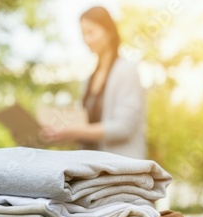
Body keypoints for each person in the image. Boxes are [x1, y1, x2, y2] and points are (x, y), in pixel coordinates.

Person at [43, 6, 146, 159]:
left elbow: (123, 128)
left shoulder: (126, 70)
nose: (86, 40)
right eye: (84, 34)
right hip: (92, 170)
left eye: (91, 32)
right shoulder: (88, 79)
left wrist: (75, 131)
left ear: (109, 32)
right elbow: (85, 127)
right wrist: (59, 133)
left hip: (123, 171)